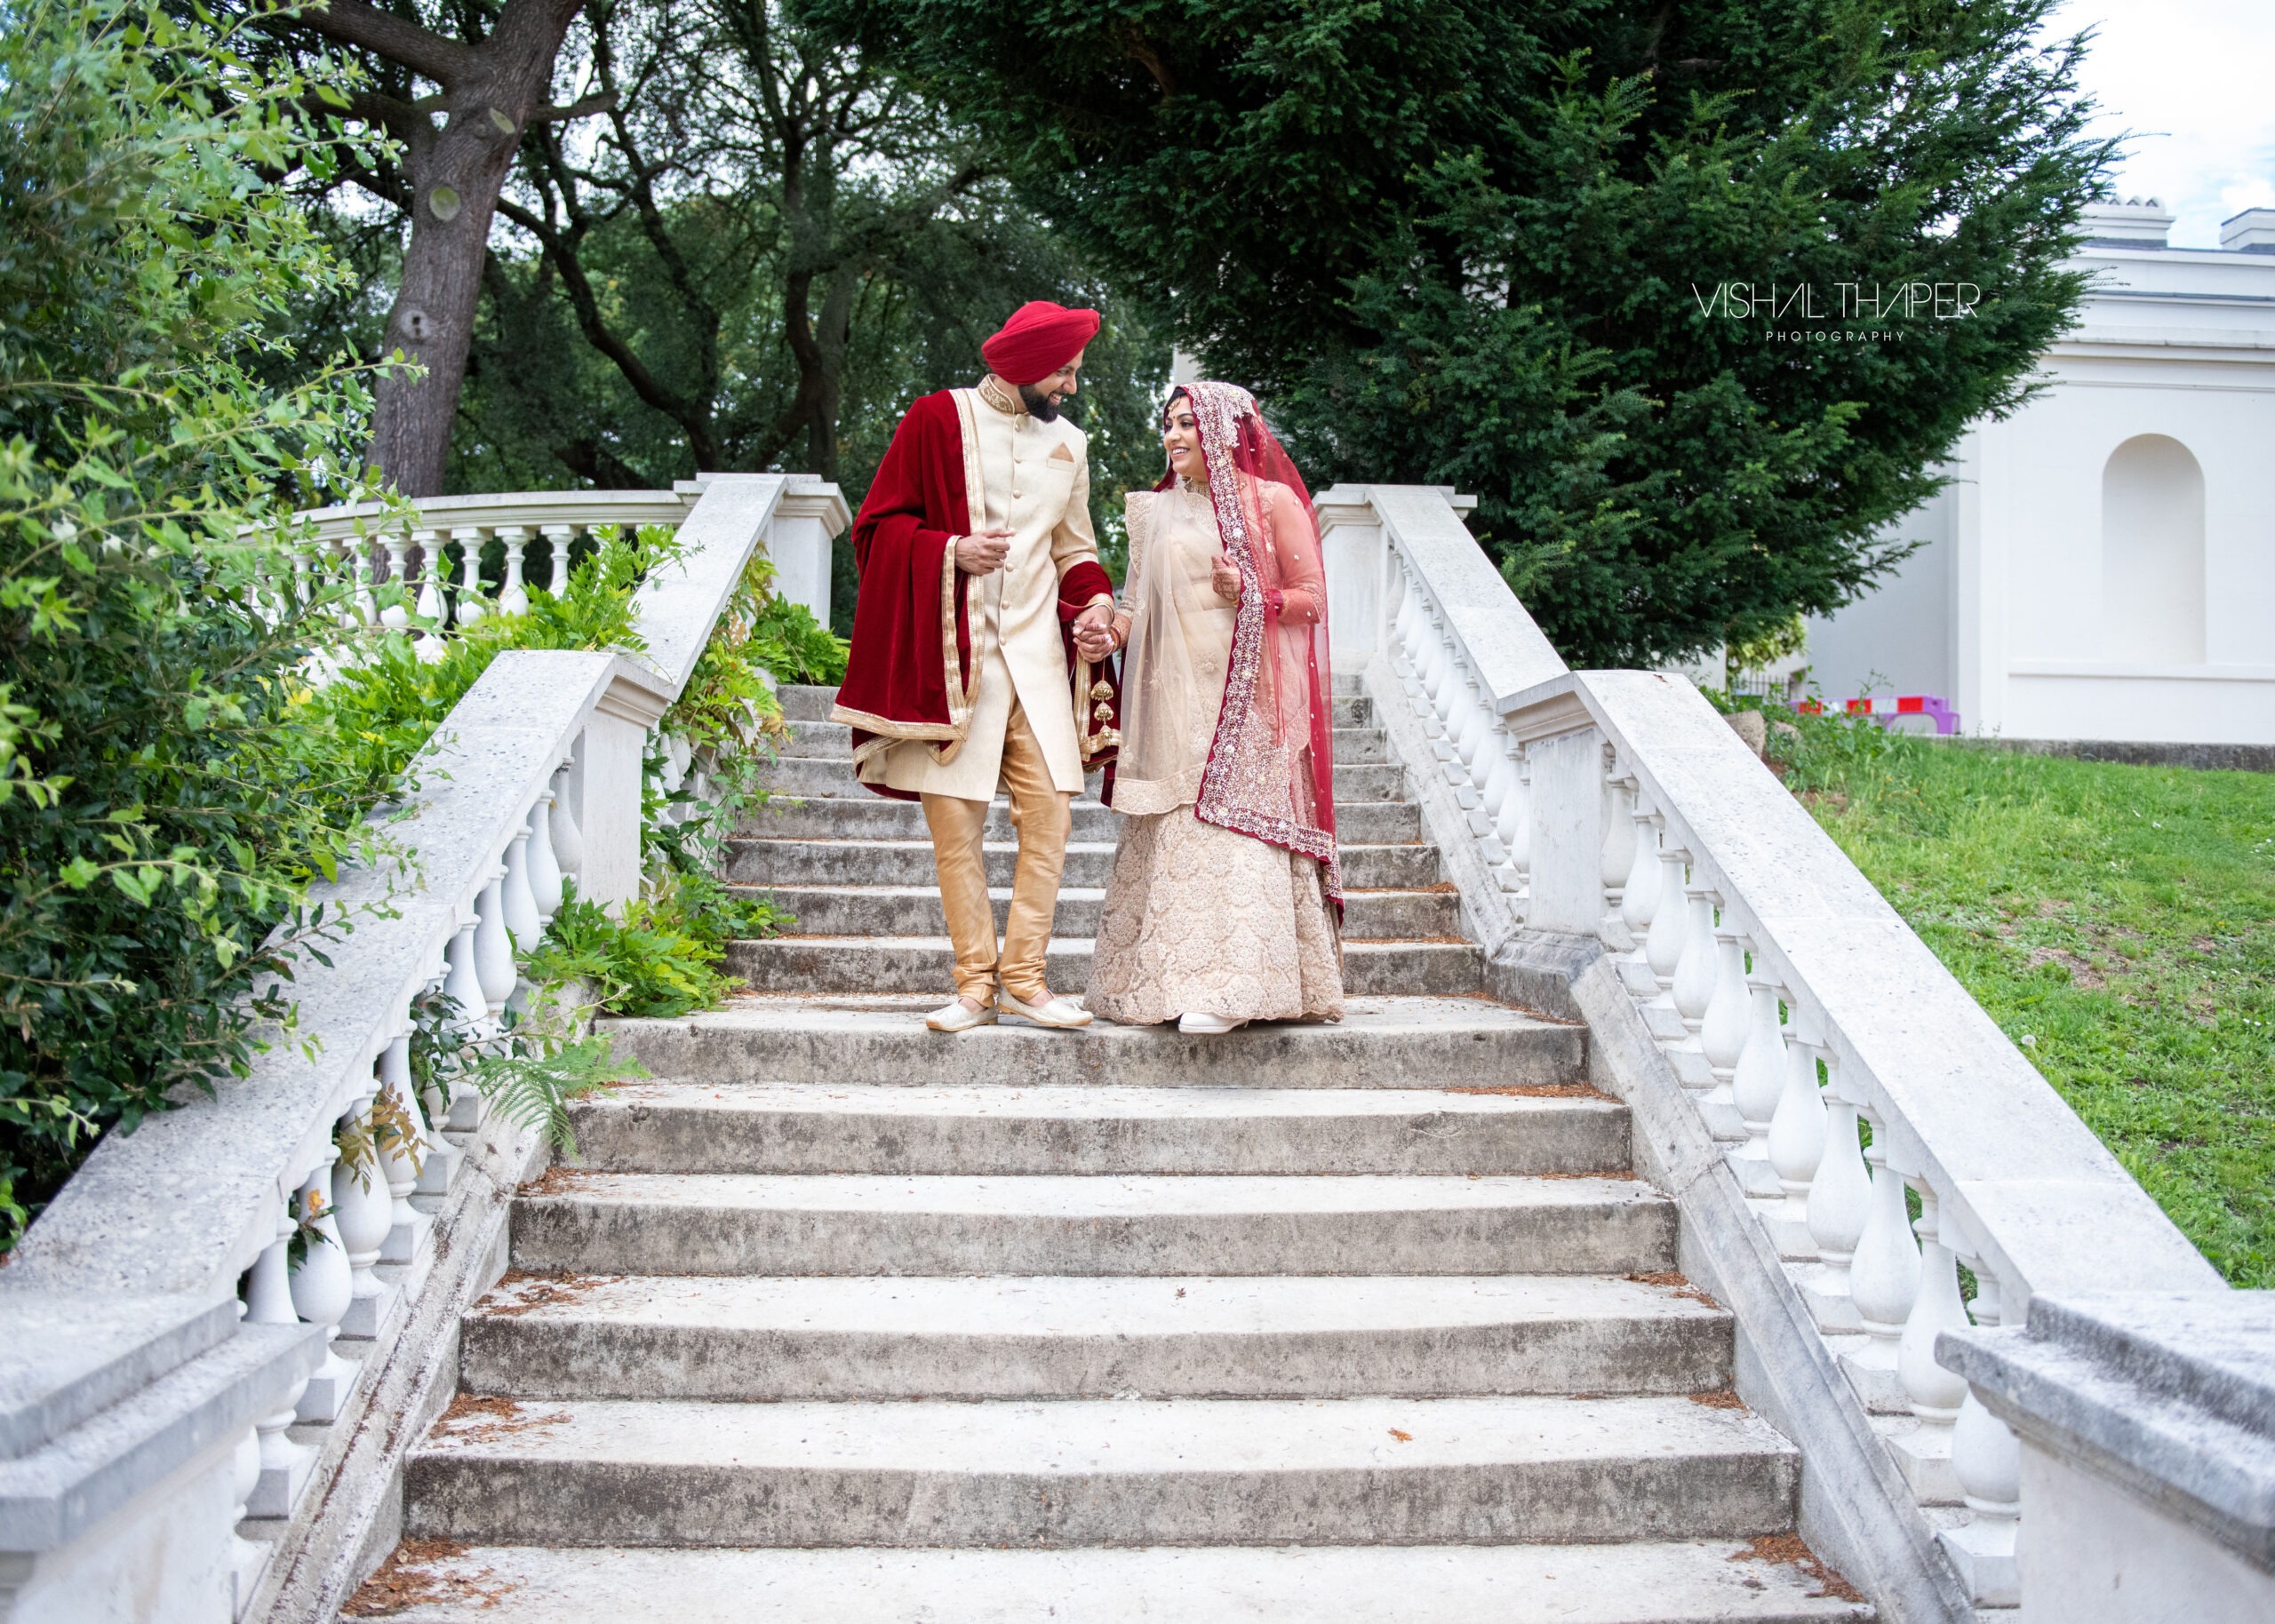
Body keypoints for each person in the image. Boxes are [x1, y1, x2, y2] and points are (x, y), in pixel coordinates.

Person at [832, 301, 1123, 1034]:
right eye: (1063, 372)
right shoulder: (936, 419)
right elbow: (877, 528)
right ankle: (973, 986)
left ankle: (1025, 979)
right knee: (956, 829)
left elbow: (1075, 551)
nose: (1072, 387)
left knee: (1051, 817)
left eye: (1075, 373)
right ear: (1024, 367)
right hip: (954, 661)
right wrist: (950, 551)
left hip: (1039, 661)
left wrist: (1095, 608)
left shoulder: (1073, 447)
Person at [1085, 381, 1343, 1034]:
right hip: (1173, 703)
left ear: (1226, 431)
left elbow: (1312, 597)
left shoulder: (1273, 502)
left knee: (1235, 835)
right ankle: (1167, 984)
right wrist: (1106, 633)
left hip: (1250, 703)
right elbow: (1135, 605)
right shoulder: (1154, 514)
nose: (1172, 437)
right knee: (1179, 828)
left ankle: (1234, 988)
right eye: (1167, 425)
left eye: (1186, 425)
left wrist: (1253, 592)